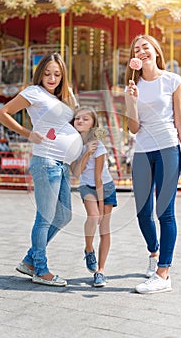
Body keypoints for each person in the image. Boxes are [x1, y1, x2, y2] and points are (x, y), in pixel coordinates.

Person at [0, 52, 83, 287]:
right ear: (39, 73)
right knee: (44, 218)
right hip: (45, 162)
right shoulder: (33, 92)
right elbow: (2, 114)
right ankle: (40, 270)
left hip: (61, 164)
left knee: (63, 215)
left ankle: (29, 261)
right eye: (47, 73)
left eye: (57, 74)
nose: (51, 78)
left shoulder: (58, 98)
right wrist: (27, 133)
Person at [125, 34, 181, 294]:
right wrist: (130, 100)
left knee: (165, 212)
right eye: (137, 49)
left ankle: (163, 273)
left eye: (145, 47)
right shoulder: (132, 84)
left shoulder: (173, 80)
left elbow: (180, 121)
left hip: (169, 148)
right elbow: (133, 128)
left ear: (156, 51)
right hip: (143, 151)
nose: (141, 51)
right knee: (142, 212)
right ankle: (154, 252)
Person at [71, 106, 117, 287]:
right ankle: (89, 249)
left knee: (104, 228)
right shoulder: (75, 146)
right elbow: (76, 173)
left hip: (104, 187)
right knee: (93, 217)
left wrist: (100, 202)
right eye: (77, 119)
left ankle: (101, 271)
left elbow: (98, 178)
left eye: (85, 119)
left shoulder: (99, 146)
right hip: (86, 186)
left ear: (93, 125)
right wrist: (86, 153)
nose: (80, 121)